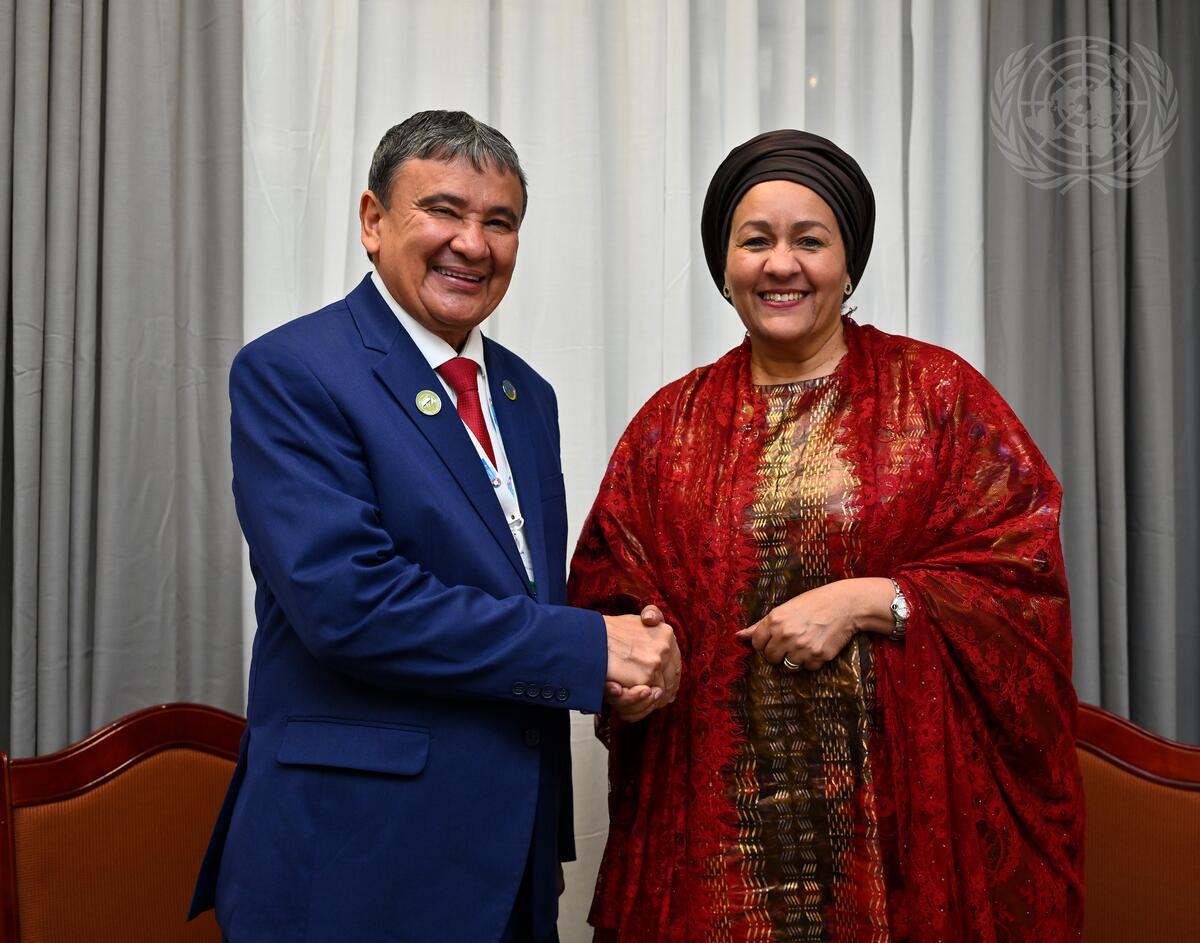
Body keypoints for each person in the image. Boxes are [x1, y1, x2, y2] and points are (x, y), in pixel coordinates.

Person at [569, 129, 1084, 941]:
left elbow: (1023, 575)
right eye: (755, 241)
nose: (781, 264)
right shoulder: (668, 428)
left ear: (849, 265)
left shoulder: (937, 396)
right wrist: (635, 664)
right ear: (724, 266)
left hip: (900, 844)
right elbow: (611, 591)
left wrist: (873, 599)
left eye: (809, 240)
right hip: (716, 849)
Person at [189, 110, 680, 943]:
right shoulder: (294, 371)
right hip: (354, 861)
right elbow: (351, 605)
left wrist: (622, 666)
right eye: (443, 211)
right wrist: (587, 648)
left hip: (507, 862)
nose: (473, 244)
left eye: (500, 221)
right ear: (373, 221)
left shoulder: (526, 396)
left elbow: (519, 594)